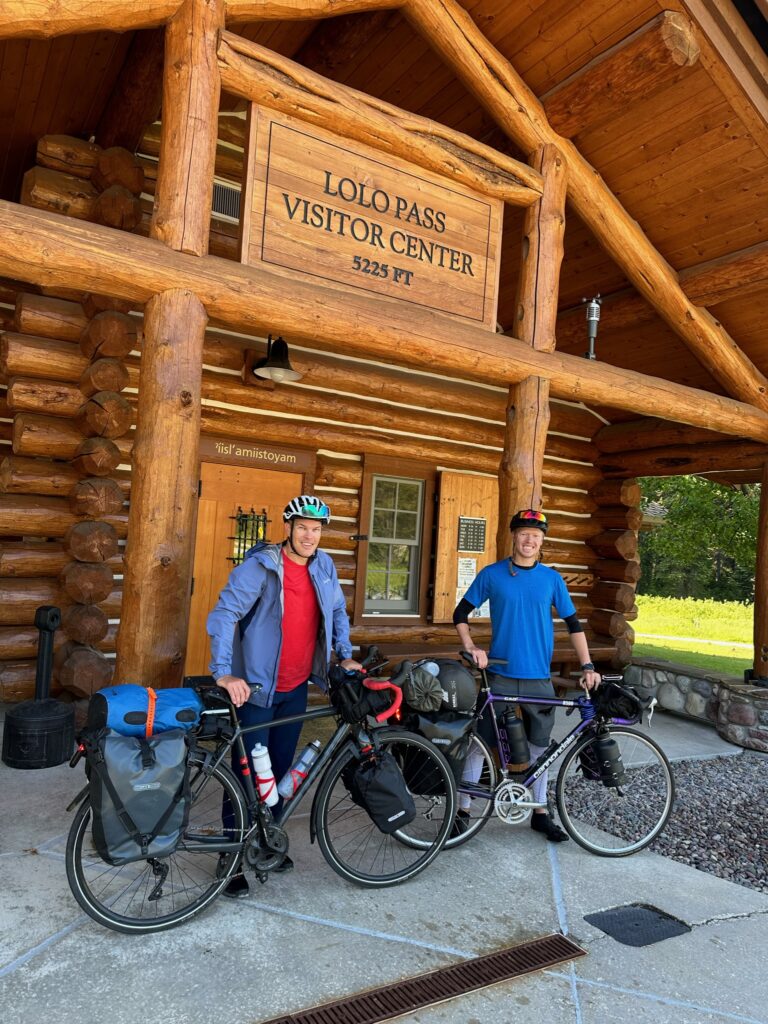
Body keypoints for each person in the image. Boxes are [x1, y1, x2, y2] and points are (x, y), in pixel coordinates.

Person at [207, 494, 362, 894]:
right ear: (289, 528)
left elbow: (339, 612)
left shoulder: (324, 567)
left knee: (276, 773)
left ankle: (265, 842)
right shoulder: (260, 567)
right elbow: (225, 614)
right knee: (246, 779)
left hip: (295, 688)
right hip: (256, 690)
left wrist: (344, 655)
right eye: (303, 528)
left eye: (317, 529)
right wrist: (224, 674)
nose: (310, 536)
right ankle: (229, 857)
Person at [453, 508, 601, 842]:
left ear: (542, 542)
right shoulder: (492, 574)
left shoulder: (552, 579)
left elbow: (573, 624)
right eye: (523, 534)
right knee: (479, 743)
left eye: (536, 536)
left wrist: (588, 665)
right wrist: (472, 647)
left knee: (540, 747)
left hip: (538, 677)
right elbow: (460, 612)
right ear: (514, 537)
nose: (529, 540)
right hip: (500, 673)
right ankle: (462, 810)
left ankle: (540, 812)